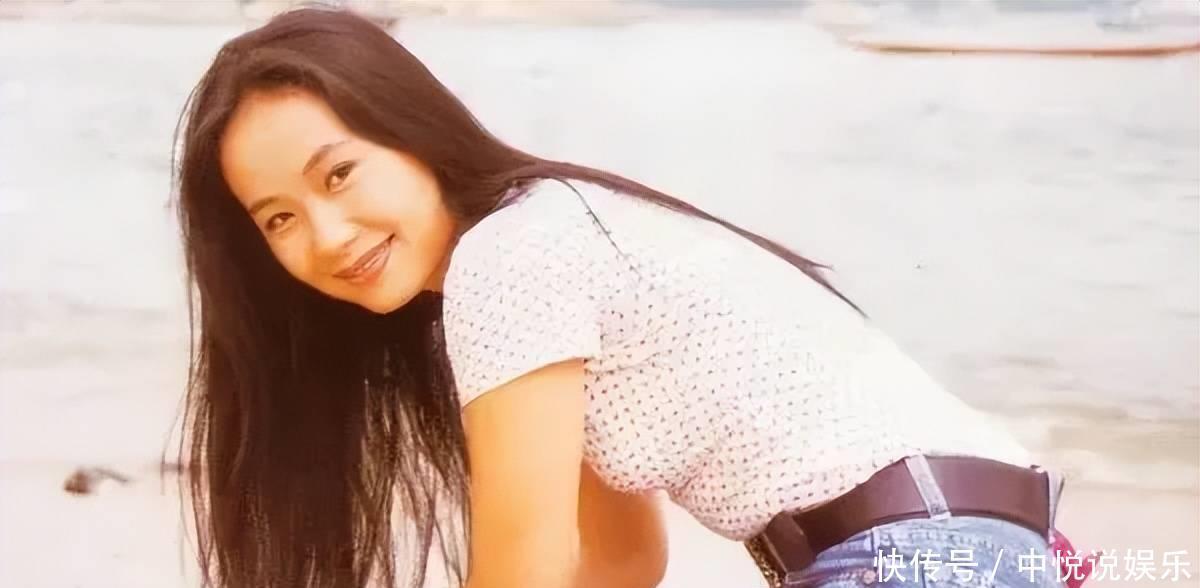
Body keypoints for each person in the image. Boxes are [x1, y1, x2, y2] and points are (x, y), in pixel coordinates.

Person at [171, 7, 1069, 588]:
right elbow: (621, 561)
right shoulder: (546, 245)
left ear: (410, 131)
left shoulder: (510, 256)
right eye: (279, 218)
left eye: (339, 174)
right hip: (983, 546)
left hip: (918, 556)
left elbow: (522, 576)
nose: (327, 234)